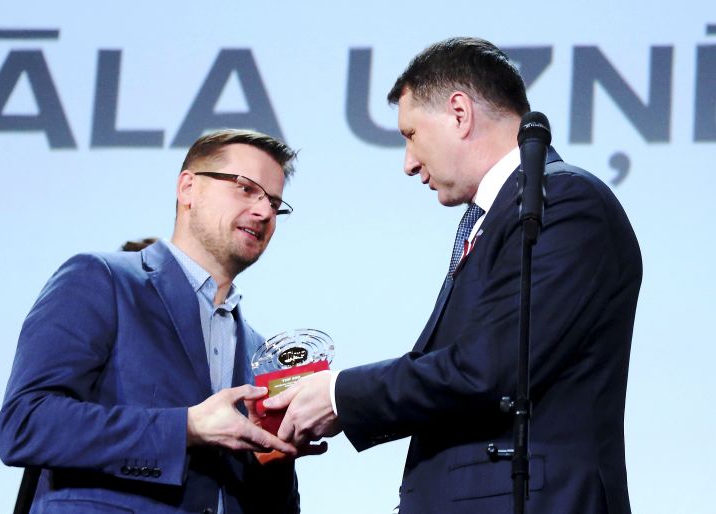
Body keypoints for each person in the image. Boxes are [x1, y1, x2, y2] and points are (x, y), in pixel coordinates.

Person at [264, 37, 642, 514]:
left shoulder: (564, 202)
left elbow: (488, 369)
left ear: (459, 114)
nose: (408, 163)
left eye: (410, 134)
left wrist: (340, 396)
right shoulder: (497, 215)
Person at [0, 129, 304, 514]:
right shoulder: (102, 279)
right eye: (246, 189)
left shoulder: (261, 352)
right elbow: (25, 424)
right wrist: (186, 427)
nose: (264, 212)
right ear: (188, 187)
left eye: (274, 203)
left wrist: (277, 453)